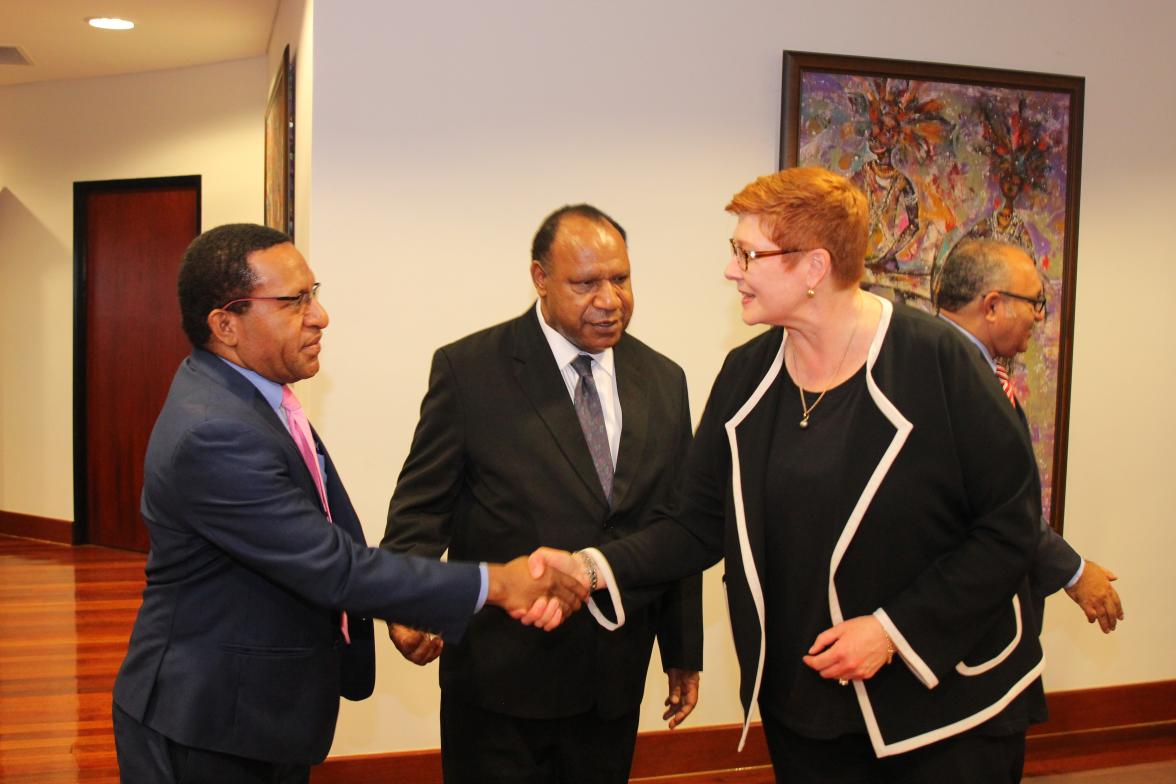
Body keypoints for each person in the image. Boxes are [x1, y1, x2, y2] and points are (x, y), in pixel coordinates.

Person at [535, 169, 1047, 783]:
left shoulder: (937, 361)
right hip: (805, 709)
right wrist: (591, 568)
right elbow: (695, 524)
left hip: (942, 711)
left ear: (813, 269)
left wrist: (894, 630)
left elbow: (1010, 526)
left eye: (747, 254)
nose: (732, 271)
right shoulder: (746, 376)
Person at [111, 223, 585, 784]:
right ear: (225, 324)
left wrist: (411, 602)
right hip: (206, 723)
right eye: (294, 301)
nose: (320, 316)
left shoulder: (253, 396)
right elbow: (334, 566)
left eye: (315, 293)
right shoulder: (215, 432)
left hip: (254, 711)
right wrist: (497, 583)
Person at [381, 204, 702, 784]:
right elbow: (422, 505)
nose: (609, 299)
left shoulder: (664, 379)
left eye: (621, 278)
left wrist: (683, 651)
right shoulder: (470, 369)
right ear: (540, 278)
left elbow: (674, 525)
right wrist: (408, 600)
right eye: (585, 283)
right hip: (500, 678)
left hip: (613, 676)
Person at [934, 237, 1124, 636]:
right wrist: (1074, 572)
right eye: (1034, 302)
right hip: (962, 628)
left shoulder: (950, 363)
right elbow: (996, 509)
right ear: (992, 305)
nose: (1039, 317)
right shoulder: (949, 377)